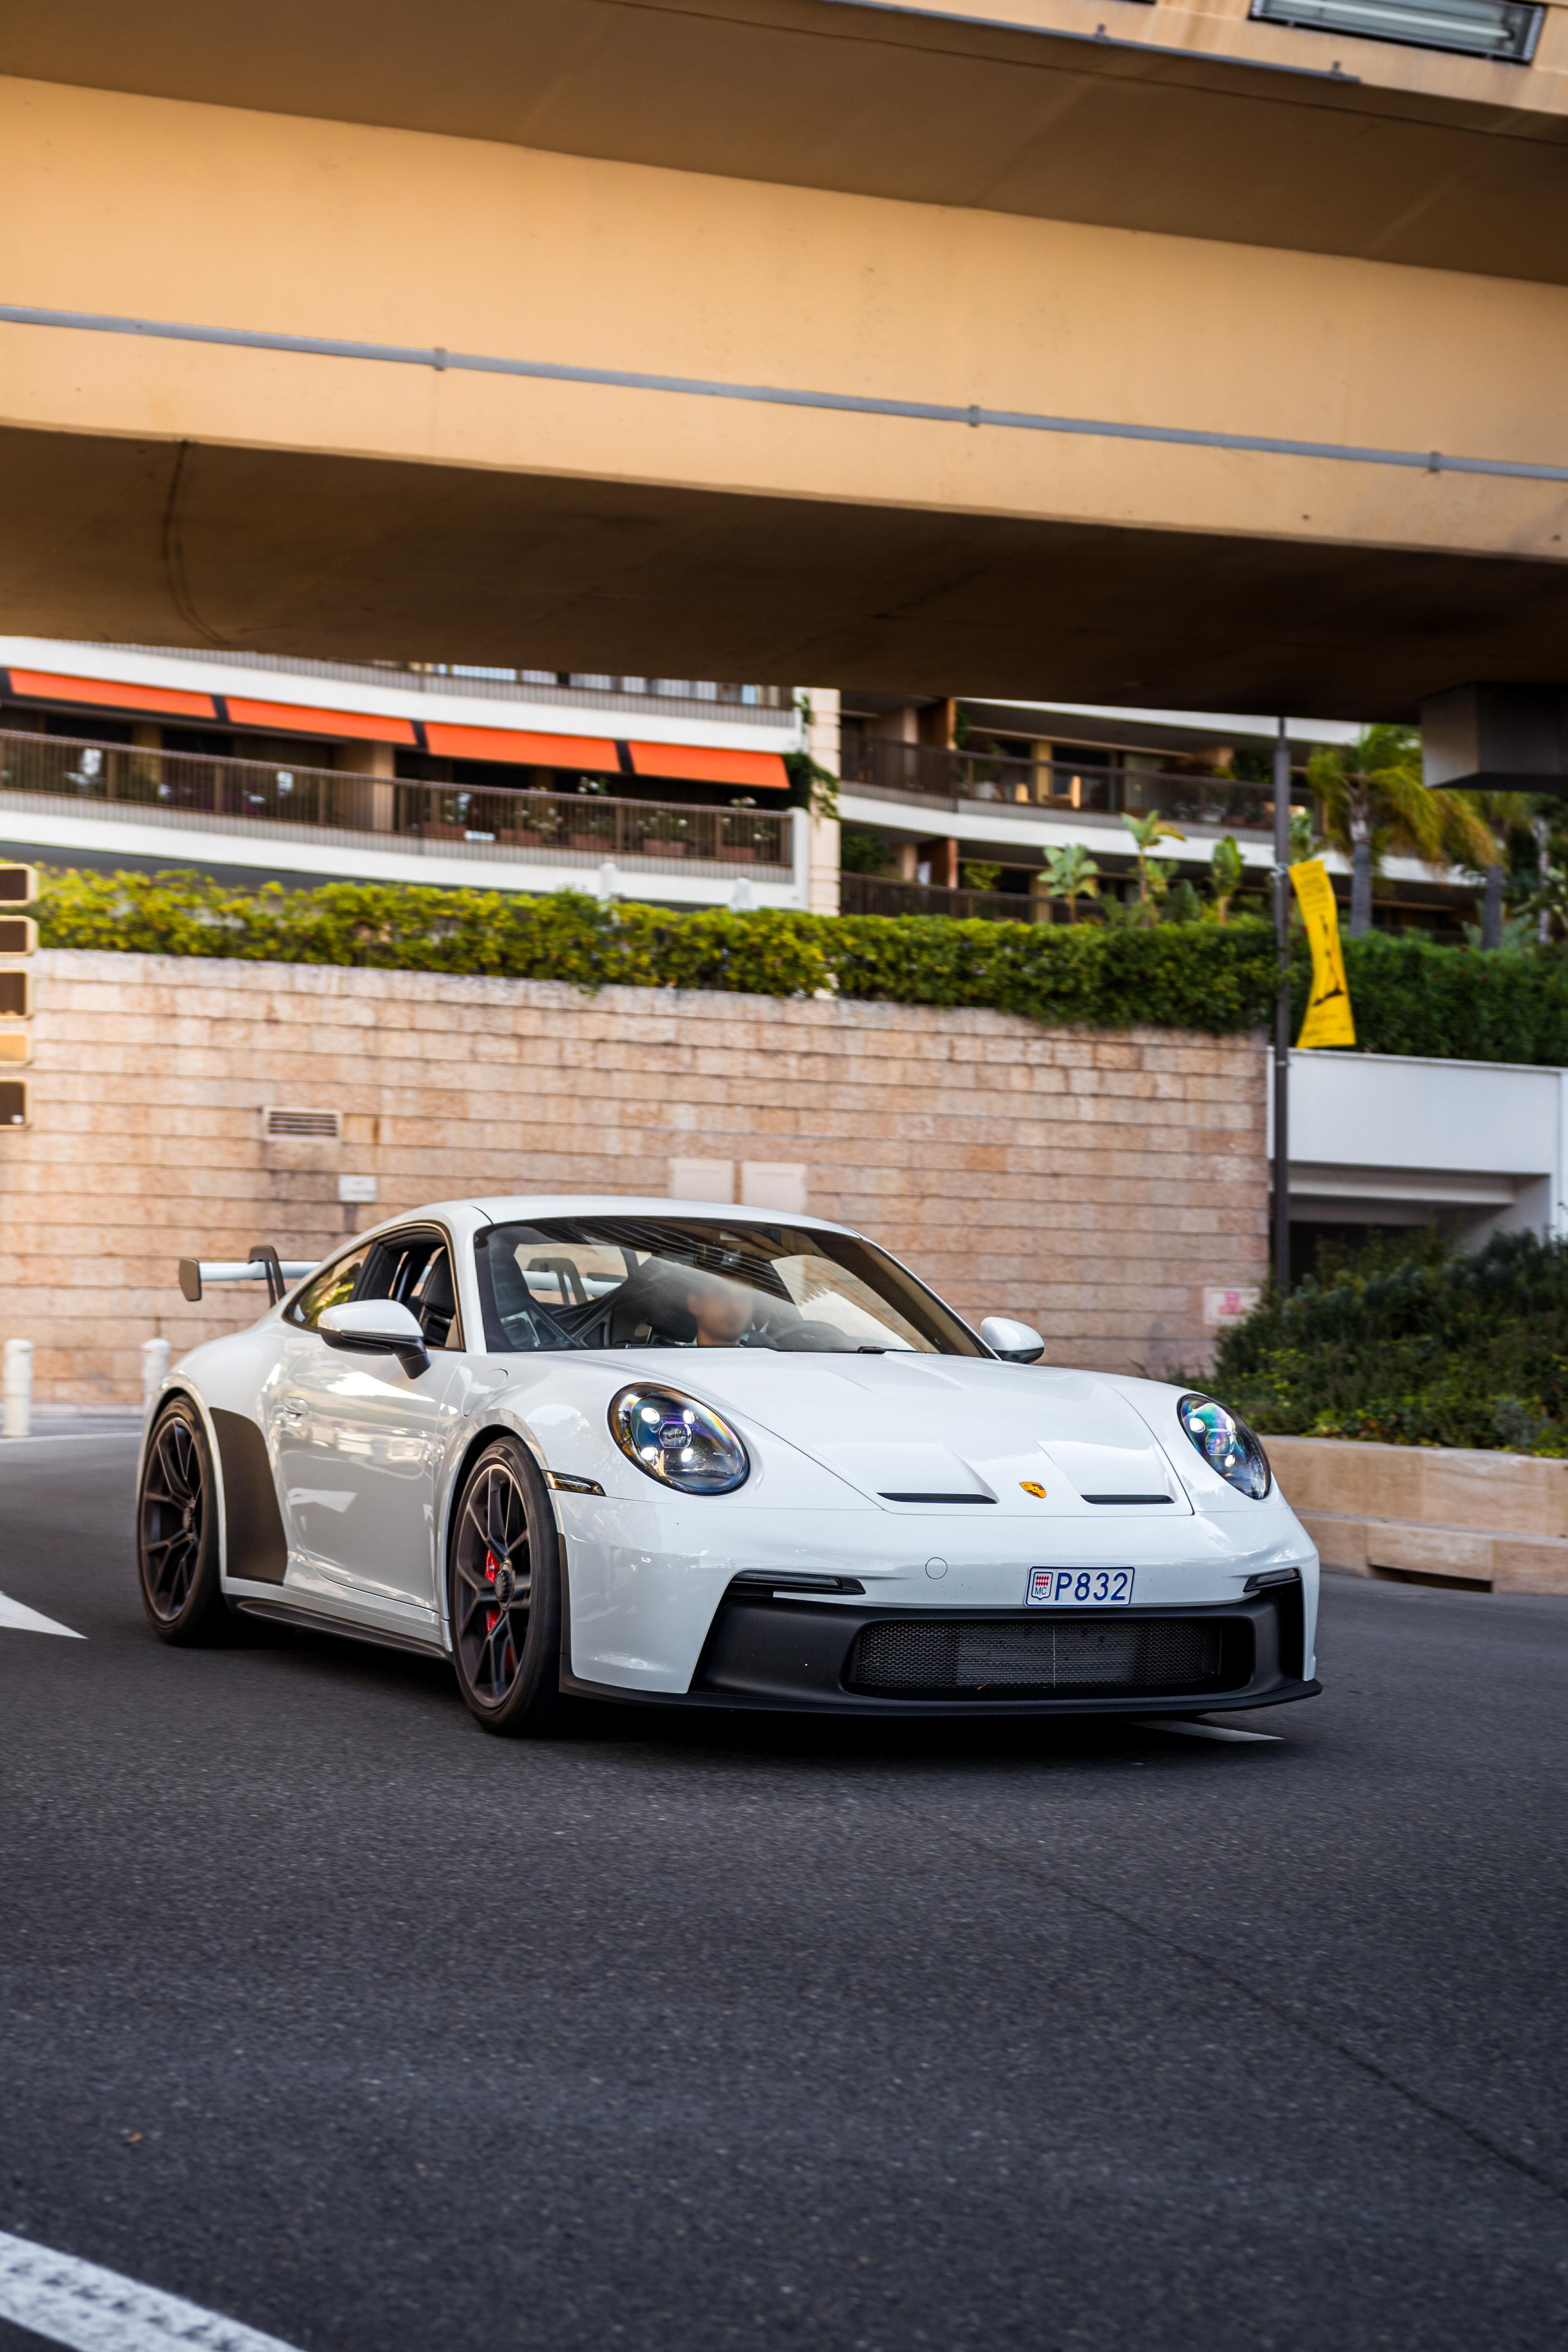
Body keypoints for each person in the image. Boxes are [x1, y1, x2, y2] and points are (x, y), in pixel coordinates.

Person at [683, 1268, 755, 1346]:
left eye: (744, 1298)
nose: (735, 1307)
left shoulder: (765, 1356)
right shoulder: (675, 1357)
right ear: (695, 1304)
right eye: (723, 1296)